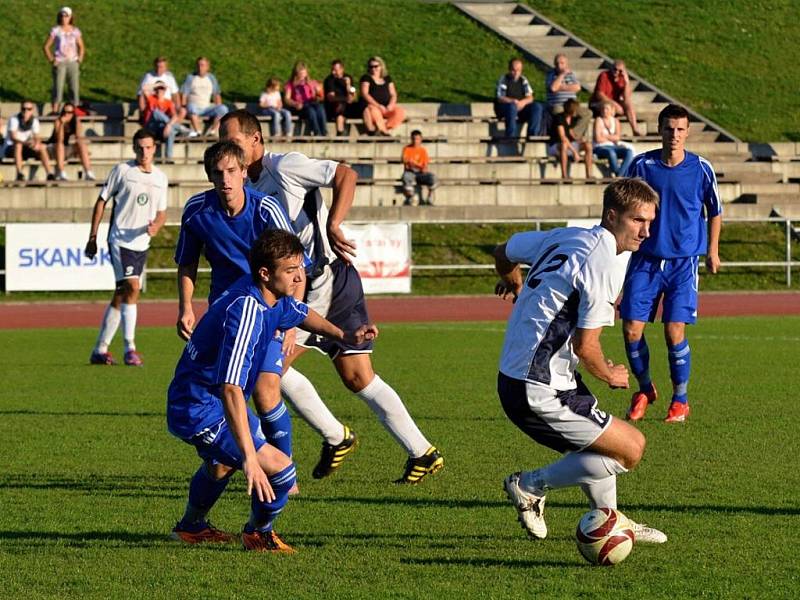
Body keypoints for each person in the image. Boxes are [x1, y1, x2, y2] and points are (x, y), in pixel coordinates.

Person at [220, 109, 444, 484]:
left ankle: (280, 457)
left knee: (268, 372)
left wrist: (333, 222)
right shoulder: (244, 186)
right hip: (314, 281)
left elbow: (346, 173)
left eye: (233, 140)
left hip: (320, 280)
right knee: (357, 377)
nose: (226, 147)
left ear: (255, 139)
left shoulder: (286, 166)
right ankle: (421, 451)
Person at [168, 228, 377, 553]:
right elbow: (231, 388)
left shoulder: (271, 297)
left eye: (300, 269)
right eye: (291, 271)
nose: (299, 278)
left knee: (221, 464)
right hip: (198, 409)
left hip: (207, 402)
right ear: (266, 274)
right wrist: (250, 459)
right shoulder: (247, 311)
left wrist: (343, 335)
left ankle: (190, 528)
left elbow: (301, 313)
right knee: (280, 468)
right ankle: (258, 533)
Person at [494, 177, 667, 545]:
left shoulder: (569, 236)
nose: (646, 231)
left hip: (536, 374)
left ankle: (611, 519)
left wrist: (514, 282)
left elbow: (503, 250)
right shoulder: (600, 257)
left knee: (600, 443)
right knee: (630, 448)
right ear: (612, 215)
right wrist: (610, 373)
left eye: (650, 222)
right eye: (638, 220)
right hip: (537, 384)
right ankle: (529, 485)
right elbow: (586, 346)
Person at [175, 140, 309, 479]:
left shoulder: (266, 209)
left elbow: (296, 266)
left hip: (267, 312)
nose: (225, 180)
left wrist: (290, 320)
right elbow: (187, 263)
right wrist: (185, 308)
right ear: (209, 176)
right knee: (224, 395)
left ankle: (283, 470)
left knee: (265, 391)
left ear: (244, 173)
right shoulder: (197, 211)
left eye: (232, 171)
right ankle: (229, 466)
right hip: (224, 319)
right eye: (218, 173)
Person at [620, 104, 722, 423]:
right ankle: (645, 389)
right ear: (660, 129)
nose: (674, 135)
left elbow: (714, 210)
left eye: (680, 129)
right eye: (668, 128)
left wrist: (713, 251)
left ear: (687, 132)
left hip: (683, 263)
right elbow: (622, 205)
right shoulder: (642, 165)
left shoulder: (701, 168)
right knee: (631, 329)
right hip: (645, 261)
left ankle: (680, 400)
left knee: (673, 330)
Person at [85, 129, 168, 366]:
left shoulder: (160, 178)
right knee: (132, 287)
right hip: (120, 240)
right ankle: (130, 348)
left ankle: (100, 349)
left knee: (123, 294)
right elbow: (102, 201)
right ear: (133, 148)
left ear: (155, 148)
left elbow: (162, 212)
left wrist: (157, 227)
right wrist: (93, 236)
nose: (144, 152)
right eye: (140, 147)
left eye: (148, 147)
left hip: (142, 243)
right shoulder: (122, 171)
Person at [43, 6, 84, 115]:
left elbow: (81, 46)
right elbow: (46, 46)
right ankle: (55, 110)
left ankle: (75, 108)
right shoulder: (56, 30)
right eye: (62, 15)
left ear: (70, 17)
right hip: (60, 62)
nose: (64, 18)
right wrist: (52, 59)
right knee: (58, 87)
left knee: (74, 87)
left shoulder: (75, 31)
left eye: (66, 16)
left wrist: (80, 58)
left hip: (72, 62)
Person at [2, 101, 55, 181]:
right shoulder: (14, 119)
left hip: (26, 147)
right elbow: (13, 137)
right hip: (10, 148)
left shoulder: (34, 121)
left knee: (41, 147)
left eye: (29, 109)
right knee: (18, 145)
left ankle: (49, 173)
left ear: (32, 110)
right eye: (24, 109)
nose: (26, 111)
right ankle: (19, 173)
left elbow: (37, 137)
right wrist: (25, 143)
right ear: (21, 109)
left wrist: (36, 143)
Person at [494, 57, 544, 139]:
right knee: (512, 107)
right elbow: (500, 97)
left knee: (537, 107)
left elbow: (530, 97)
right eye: (514, 70)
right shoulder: (504, 79)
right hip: (506, 107)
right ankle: (511, 136)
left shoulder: (523, 80)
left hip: (521, 106)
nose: (516, 72)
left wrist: (523, 102)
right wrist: (512, 101)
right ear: (509, 69)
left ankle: (533, 135)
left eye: (519, 70)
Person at [545, 54, 592, 140]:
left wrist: (562, 87)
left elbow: (577, 88)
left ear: (566, 64)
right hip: (558, 104)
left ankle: (574, 133)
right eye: (557, 63)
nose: (559, 65)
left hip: (571, 104)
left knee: (588, 113)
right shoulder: (551, 75)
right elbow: (553, 88)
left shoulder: (571, 74)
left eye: (562, 63)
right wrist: (562, 75)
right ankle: (566, 135)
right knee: (559, 112)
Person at [180, 56, 229, 137]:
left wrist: (218, 107)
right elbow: (184, 94)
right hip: (194, 108)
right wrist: (184, 107)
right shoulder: (190, 77)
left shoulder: (211, 78)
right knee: (191, 107)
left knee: (223, 109)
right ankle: (198, 132)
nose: (200, 67)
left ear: (207, 67)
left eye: (202, 65)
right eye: (198, 65)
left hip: (207, 108)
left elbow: (217, 94)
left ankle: (213, 131)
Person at [591, 60, 641, 137]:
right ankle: (613, 133)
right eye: (615, 69)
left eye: (620, 70)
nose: (617, 72)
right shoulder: (604, 75)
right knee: (615, 108)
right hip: (599, 102)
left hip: (615, 105)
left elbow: (626, 97)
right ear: (611, 68)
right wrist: (613, 104)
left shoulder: (622, 78)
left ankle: (635, 129)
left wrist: (626, 81)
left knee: (628, 104)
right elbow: (599, 95)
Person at [47, 101, 96, 181]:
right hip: (55, 149)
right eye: (65, 112)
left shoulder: (76, 122)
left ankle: (88, 172)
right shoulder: (58, 121)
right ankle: (61, 172)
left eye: (70, 112)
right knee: (60, 144)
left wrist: (82, 149)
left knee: (81, 144)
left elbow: (78, 137)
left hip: (67, 149)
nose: (67, 114)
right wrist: (62, 124)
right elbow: (59, 139)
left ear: (73, 113)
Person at [360, 56, 406, 136]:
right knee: (374, 111)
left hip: (387, 106)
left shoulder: (387, 78)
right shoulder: (366, 78)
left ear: (381, 66)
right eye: (371, 67)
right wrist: (378, 105)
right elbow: (365, 93)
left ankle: (384, 128)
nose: (373, 69)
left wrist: (391, 104)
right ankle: (384, 132)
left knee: (400, 112)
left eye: (376, 66)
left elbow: (393, 94)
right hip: (374, 105)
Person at [548, 99, 593, 179]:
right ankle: (564, 175)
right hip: (556, 145)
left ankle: (589, 175)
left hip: (570, 144)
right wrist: (575, 152)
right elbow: (563, 137)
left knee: (588, 145)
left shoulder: (573, 119)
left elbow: (572, 134)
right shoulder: (559, 118)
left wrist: (580, 140)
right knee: (564, 145)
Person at [284, 61, 327, 137]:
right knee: (311, 111)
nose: (302, 76)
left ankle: (324, 132)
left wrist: (315, 90)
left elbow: (320, 97)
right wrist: (295, 103)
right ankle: (317, 133)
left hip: (311, 103)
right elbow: (287, 99)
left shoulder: (312, 82)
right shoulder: (291, 84)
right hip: (300, 106)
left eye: (304, 73)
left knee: (320, 108)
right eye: (300, 74)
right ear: (296, 74)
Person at [593, 101, 634, 177]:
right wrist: (611, 137)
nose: (605, 111)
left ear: (611, 110)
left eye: (607, 109)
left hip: (614, 146)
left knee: (629, 152)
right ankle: (619, 174)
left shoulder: (615, 121)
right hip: (600, 147)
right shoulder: (598, 120)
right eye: (603, 109)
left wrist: (605, 136)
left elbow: (618, 137)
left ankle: (619, 175)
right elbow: (598, 139)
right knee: (611, 152)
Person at [137, 57, 185, 122]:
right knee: (158, 113)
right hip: (153, 105)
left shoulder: (169, 77)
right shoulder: (148, 76)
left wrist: (178, 108)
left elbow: (175, 94)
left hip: (167, 105)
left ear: (166, 67)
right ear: (154, 66)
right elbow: (141, 93)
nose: (159, 69)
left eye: (161, 67)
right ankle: (171, 127)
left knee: (182, 111)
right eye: (157, 67)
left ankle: (172, 127)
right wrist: (142, 111)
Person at [142, 81, 180, 159]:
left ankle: (169, 158)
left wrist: (169, 125)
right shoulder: (151, 98)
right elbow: (144, 88)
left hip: (162, 128)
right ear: (155, 90)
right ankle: (182, 129)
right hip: (151, 126)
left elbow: (175, 116)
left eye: (162, 89)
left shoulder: (168, 102)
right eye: (158, 89)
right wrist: (157, 84)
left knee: (171, 132)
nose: (160, 91)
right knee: (156, 112)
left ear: (165, 90)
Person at [401, 130, 437, 206]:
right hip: (410, 172)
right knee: (405, 177)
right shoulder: (406, 149)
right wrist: (417, 165)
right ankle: (412, 197)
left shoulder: (423, 151)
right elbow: (406, 162)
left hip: (420, 173)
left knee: (433, 178)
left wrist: (416, 164)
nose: (415, 141)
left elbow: (425, 166)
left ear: (421, 140)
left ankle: (429, 197)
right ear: (411, 139)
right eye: (414, 139)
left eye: (417, 139)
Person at [323, 59, 357, 136]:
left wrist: (348, 85)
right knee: (340, 107)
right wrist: (345, 99)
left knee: (345, 106)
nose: (333, 72)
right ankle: (340, 133)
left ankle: (341, 133)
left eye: (335, 70)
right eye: (332, 70)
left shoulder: (348, 78)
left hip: (347, 106)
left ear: (342, 69)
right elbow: (331, 98)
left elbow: (353, 96)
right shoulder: (329, 80)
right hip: (333, 107)